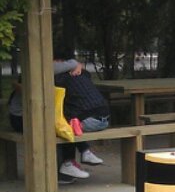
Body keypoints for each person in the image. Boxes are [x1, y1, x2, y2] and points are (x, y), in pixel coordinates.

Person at [7, 55, 105, 182]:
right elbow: (67, 65)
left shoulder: (39, 71)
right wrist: (75, 64)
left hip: (33, 116)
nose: (61, 65)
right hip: (21, 119)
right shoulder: (42, 68)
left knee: (63, 126)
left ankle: (74, 160)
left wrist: (77, 65)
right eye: (60, 62)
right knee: (61, 128)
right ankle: (72, 161)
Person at [54, 51, 110, 180]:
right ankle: (85, 152)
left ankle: (68, 163)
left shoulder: (59, 79)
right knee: (70, 118)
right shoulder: (83, 73)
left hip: (91, 120)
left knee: (63, 126)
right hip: (105, 119)